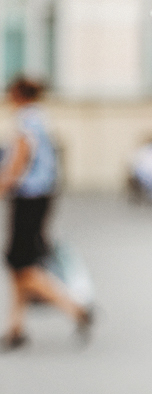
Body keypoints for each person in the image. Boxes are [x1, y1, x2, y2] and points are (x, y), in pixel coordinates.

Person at [4, 76, 92, 350]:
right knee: (19, 263)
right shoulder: (42, 117)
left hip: (28, 197)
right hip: (42, 196)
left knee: (23, 264)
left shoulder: (25, 120)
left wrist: (3, 184)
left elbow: (20, 159)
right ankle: (16, 328)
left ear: (18, 94)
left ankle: (76, 308)